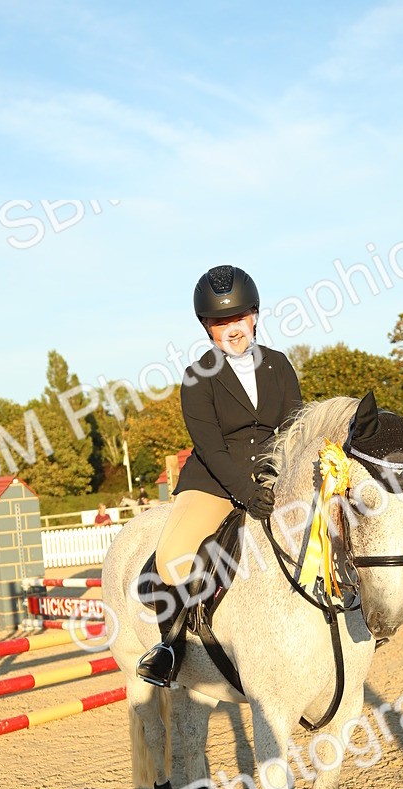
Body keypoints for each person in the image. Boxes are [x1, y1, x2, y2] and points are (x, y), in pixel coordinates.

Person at [137, 264, 303, 687]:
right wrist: (246, 492)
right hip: (213, 480)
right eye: (219, 321)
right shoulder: (197, 377)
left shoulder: (280, 366)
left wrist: (275, 480)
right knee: (174, 556)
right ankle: (170, 647)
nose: (230, 328)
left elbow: (293, 427)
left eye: (237, 317)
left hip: (274, 475)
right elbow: (209, 447)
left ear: (254, 315)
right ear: (206, 327)